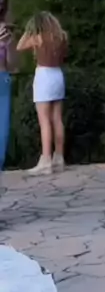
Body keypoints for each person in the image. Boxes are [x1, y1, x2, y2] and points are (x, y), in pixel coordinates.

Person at [17, 11, 67, 176]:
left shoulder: (37, 38)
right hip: (57, 75)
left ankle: (45, 160)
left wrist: (29, 30)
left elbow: (19, 46)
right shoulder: (61, 37)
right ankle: (58, 158)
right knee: (57, 118)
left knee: (44, 120)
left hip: (44, 76)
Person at [0, 0, 16, 174]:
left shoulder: (5, 28)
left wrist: (9, 44)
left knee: (2, 130)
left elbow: (13, 63)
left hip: (3, 79)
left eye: (2, 5)